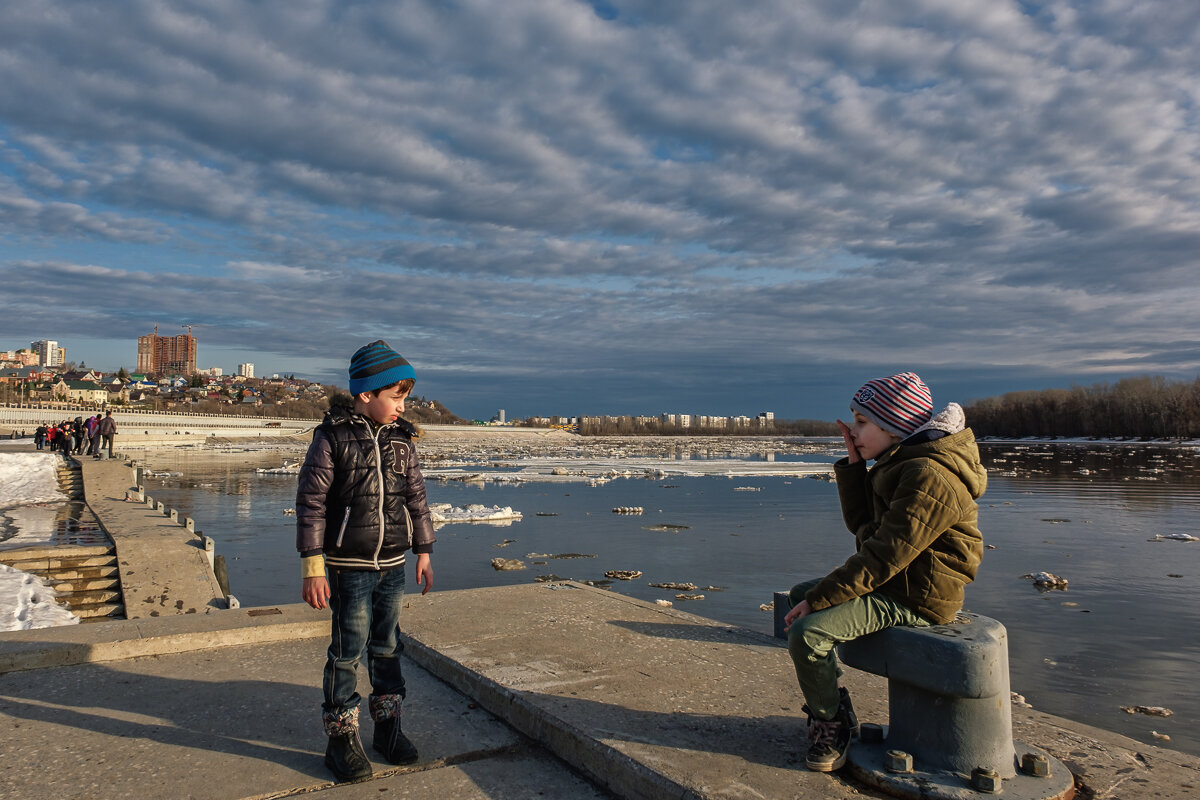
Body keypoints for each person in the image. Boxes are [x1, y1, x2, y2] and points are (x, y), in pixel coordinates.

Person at [783, 372, 987, 772]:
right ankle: (834, 698)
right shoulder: (901, 462)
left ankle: (831, 722)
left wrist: (822, 598)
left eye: (862, 422)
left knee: (807, 632)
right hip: (898, 582)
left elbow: (881, 557)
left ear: (895, 427)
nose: (853, 431)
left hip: (919, 597)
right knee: (799, 594)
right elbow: (864, 530)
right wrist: (855, 470)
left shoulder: (930, 476)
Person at [295, 340, 436, 784]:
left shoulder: (402, 440)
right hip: (348, 565)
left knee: (388, 646)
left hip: (393, 563)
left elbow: (415, 497)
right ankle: (340, 740)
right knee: (346, 651)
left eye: (405, 398)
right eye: (395, 397)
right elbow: (311, 503)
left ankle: (388, 729)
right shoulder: (333, 437)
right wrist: (312, 566)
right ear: (366, 394)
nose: (402, 406)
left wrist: (425, 550)